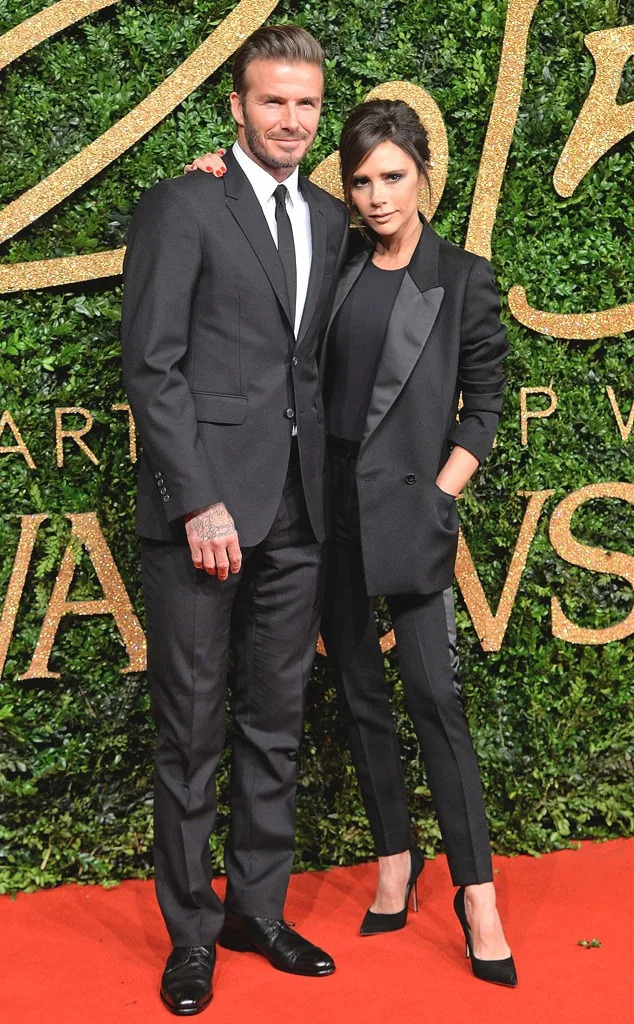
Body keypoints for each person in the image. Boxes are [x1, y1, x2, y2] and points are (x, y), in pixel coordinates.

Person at [188, 98, 517, 987]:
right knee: (361, 695)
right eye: (362, 180)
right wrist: (216, 176)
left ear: (423, 175)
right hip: (325, 508)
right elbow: (261, 239)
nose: (377, 196)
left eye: (393, 176)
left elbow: (484, 405)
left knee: (435, 699)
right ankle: (394, 861)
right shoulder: (334, 259)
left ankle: (478, 894)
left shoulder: (463, 278)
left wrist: (443, 493)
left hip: (411, 510)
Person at [121, 25, 349, 1016]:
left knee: (275, 722)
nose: (290, 120)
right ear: (237, 107)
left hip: (299, 512)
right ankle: (191, 934)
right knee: (189, 730)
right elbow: (152, 365)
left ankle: (258, 910)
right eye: (272, 101)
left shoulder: (331, 218)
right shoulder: (183, 205)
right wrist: (198, 498)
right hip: (203, 517)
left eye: (305, 103)